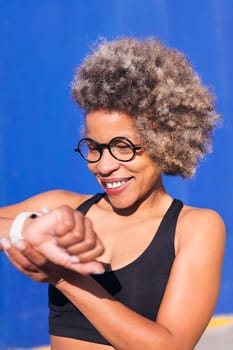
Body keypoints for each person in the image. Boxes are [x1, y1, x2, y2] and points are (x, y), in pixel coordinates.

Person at [0, 37, 226, 350]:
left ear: (165, 140)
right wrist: (23, 227)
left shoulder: (196, 227)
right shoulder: (63, 207)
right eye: (94, 148)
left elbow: (168, 346)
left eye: (123, 147)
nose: (104, 166)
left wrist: (64, 277)